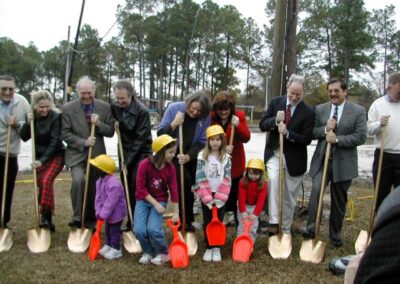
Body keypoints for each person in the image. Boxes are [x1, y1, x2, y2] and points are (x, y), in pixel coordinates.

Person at [301, 78, 367, 247]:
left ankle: (335, 233)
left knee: (339, 200)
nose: (333, 94)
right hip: (322, 161)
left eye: (336, 90)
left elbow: (361, 136)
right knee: (315, 192)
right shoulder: (321, 109)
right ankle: (311, 228)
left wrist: (337, 139)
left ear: (345, 92)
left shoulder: (358, 111)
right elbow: (313, 132)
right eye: (330, 91)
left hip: (343, 163)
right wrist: (325, 130)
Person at [259, 74, 314, 236]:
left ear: (303, 92)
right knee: (274, 182)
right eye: (292, 93)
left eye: (299, 94)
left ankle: (285, 227)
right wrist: (275, 121)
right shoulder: (276, 103)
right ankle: (274, 222)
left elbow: (306, 139)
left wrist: (289, 134)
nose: (295, 97)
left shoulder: (308, 112)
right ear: (287, 89)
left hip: (295, 158)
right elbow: (263, 125)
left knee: (289, 195)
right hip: (275, 152)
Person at [61, 76, 114, 230]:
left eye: (89, 92)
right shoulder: (68, 108)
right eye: (82, 93)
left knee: (94, 187)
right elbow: (65, 134)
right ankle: (78, 218)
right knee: (78, 181)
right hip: (76, 155)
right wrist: (83, 142)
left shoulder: (104, 107)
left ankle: (91, 219)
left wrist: (99, 124)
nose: (86, 96)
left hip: (97, 155)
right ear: (77, 91)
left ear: (94, 91)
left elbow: (110, 131)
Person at [157, 91, 211, 232]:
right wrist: (174, 124)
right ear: (187, 103)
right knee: (181, 182)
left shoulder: (205, 118)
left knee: (190, 186)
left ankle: (188, 221)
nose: (194, 112)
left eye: (198, 110)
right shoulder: (174, 108)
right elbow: (160, 134)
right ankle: (180, 219)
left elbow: (201, 142)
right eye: (192, 108)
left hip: (190, 155)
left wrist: (188, 156)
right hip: (171, 155)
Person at [110, 79, 152, 231]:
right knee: (126, 185)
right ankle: (131, 221)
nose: (120, 101)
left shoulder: (142, 111)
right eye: (118, 98)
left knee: (136, 185)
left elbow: (140, 140)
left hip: (142, 152)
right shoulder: (115, 106)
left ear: (131, 95)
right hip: (124, 150)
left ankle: (140, 222)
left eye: (124, 99)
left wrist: (127, 163)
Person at [20, 90, 64, 232]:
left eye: (47, 106)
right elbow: (24, 137)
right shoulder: (32, 118)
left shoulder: (56, 117)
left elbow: (54, 141)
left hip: (55, 155)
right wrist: (28, 122)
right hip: (39, 157)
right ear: (34, 106)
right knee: (44, 185)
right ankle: (48, 219)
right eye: (41, 107)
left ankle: (44, 216)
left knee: (46, 181)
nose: (45, 110)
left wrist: (42, 161)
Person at [134, 134, 179, 265]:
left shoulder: (170, 168)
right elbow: (140, 189)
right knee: (139, 230)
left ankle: (163, 253)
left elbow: (174, 190)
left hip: (160, 199)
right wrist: (155, 204)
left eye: (174, 152)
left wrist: (176, 212)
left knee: (153, 229)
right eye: (170, 152)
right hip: (143, 200)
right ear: (160, 152)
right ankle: (148, 252)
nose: (173, 155)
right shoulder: (144, 165)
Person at [210, 91, 250, 227]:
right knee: (219, 190)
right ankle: (219, 218)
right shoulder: (211, 118)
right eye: (220, 109)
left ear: (231, 108)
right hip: (217, 163)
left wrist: (238, 125)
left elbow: (246, 138)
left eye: (226, 109)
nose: (223, 112)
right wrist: (222, 149)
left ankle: (236, 218)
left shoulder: (239, 117)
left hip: (235, 163)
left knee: (234, 191)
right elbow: (207, 140)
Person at [192, 125, 231, 262]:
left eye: (218, 139)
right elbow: (200, 176)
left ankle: (217, 247)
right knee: (208, 221)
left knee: (219, 221)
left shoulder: (226, 157)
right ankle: (209, 246)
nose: (215, 142)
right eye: (212, 139)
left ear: (222, 141)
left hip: (220, 193)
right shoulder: (202, 156)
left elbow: (227, 178)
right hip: (206, 193)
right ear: (208, 141)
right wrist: (206, 196)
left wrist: (220, 196)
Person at [367, 72, 400, 213]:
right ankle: (380, 229)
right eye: (399, 91)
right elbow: (369, 130)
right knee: (381, 195)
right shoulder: (377, 104)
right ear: (389, 87)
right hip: (383, 156)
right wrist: (379, 124)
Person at [0, 75, 30, 227]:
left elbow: (28, 134)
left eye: (10, 89)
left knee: (7, 190)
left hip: (11, 155)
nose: (7, 92)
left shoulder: (22, 102)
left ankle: (3, 223)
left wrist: (18, 124)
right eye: (3, 89)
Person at [90, 154, 127, 260]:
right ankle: (109, 245)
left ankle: (116, 249)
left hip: (116, 213)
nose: (94, 169)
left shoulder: (113, 184)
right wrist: (98, 212)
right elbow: (98, 198)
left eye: (96, 167)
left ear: (102, 170)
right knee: (107, 229)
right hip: (107, 213)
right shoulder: (99, 182)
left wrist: (103, 214)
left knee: (114, 230)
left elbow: (111, 203)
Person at [237, 159, 268, 242]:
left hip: (254, 207)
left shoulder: (263, 185)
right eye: (250, 173)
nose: (253, 176)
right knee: (242, 226)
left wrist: (255, 214)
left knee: (253, 227)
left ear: (261, 174)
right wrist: (243, 212)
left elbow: (261, 201)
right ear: (247, 172)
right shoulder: (243, 182)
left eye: (256, 174)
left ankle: (250, 245)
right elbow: (241, 198)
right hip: (243, 206)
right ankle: (240, 242)